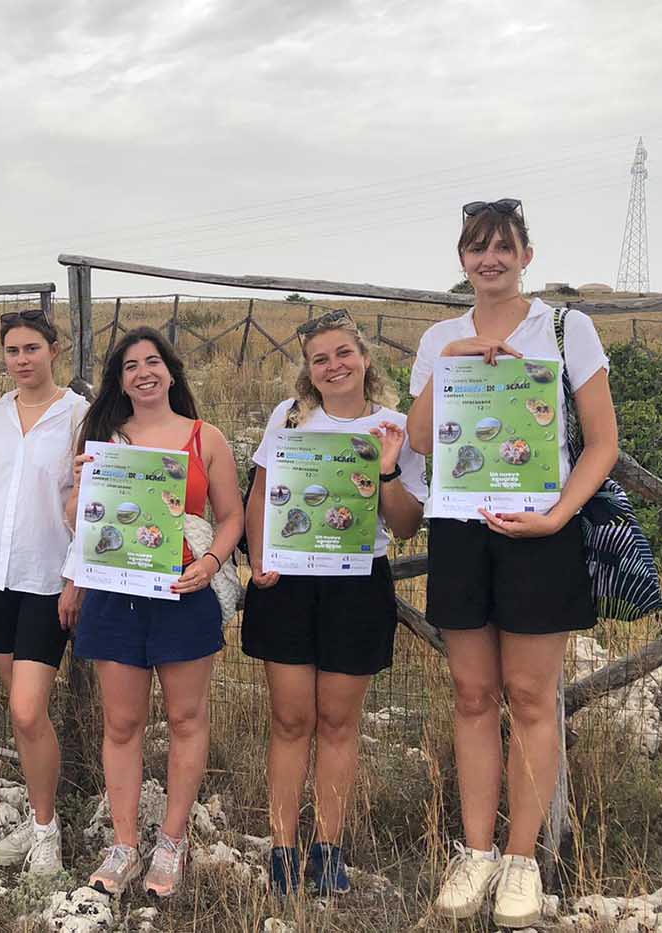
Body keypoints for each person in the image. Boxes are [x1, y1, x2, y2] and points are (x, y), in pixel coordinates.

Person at [406, 200, 616, 929]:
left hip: (539, 530)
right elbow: (423, 439)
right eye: (475, 247)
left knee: (530, 697)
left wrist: (559, 515)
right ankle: (475, 851)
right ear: (462, 259)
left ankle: (521, 860)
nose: (488, 259)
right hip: (463, 531)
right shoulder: (440, 335)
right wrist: (456, 363)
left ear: (526, 253)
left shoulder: (565, 328)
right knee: (471, 694)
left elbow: (601, 442)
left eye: (502, 246)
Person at [243, 310, 427, 896]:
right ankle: (281, 849)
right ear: (309, 370)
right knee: (290, 719)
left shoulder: (393, 426)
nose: (334, 366)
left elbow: (404, 527)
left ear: (364, 357)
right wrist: (258, 556)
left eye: (343, 353)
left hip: (357, 582)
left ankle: (328, 848)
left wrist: (390, 467)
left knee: (339, 722)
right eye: (320, 359)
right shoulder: (290, 417)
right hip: (289, 581)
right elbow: (259, 495)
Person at [60, 327, 243, 898]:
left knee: (187, 720)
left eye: (153, 361)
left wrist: (212, 562)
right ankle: (124, 846)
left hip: (185, 595)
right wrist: (86, 483)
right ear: (119, 380)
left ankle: (171, 842)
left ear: (170, 371)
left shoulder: (203, 437)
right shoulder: (103, 437)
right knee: (121, 724)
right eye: (130, 365)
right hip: (116, 594)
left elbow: (232, 515)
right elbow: (74, 518)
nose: (143, 372)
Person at [0, 309, 89, 877]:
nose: (22, 359)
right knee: (22, 711)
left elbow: (94, 500)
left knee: (28, 708)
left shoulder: (80, 415)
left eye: (32, 348)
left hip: (47, 577)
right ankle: (41, 821)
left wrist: (76, 576)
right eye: (13, 351)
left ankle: (47, 837)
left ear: (54, 349)